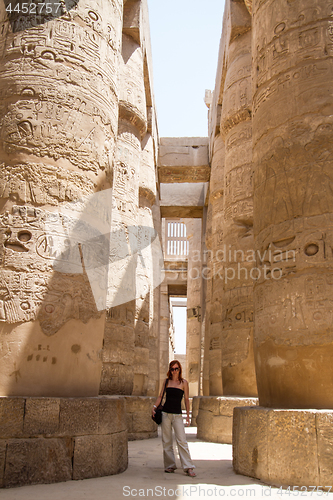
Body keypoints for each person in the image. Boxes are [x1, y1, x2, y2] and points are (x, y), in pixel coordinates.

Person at [152, 360, 196, 477]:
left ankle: (188, 467)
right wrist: (154, 407)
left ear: (179, 370)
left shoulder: (184, 383)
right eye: (172, 369)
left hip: (177, 415)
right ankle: (169, 465)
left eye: (176, 369)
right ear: (169, 370)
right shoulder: (166, 382)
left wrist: (187, 415)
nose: (174, 371)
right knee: (167, 441)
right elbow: (161, 396)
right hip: (166, 414)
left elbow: (186, 399)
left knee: (182, 440)